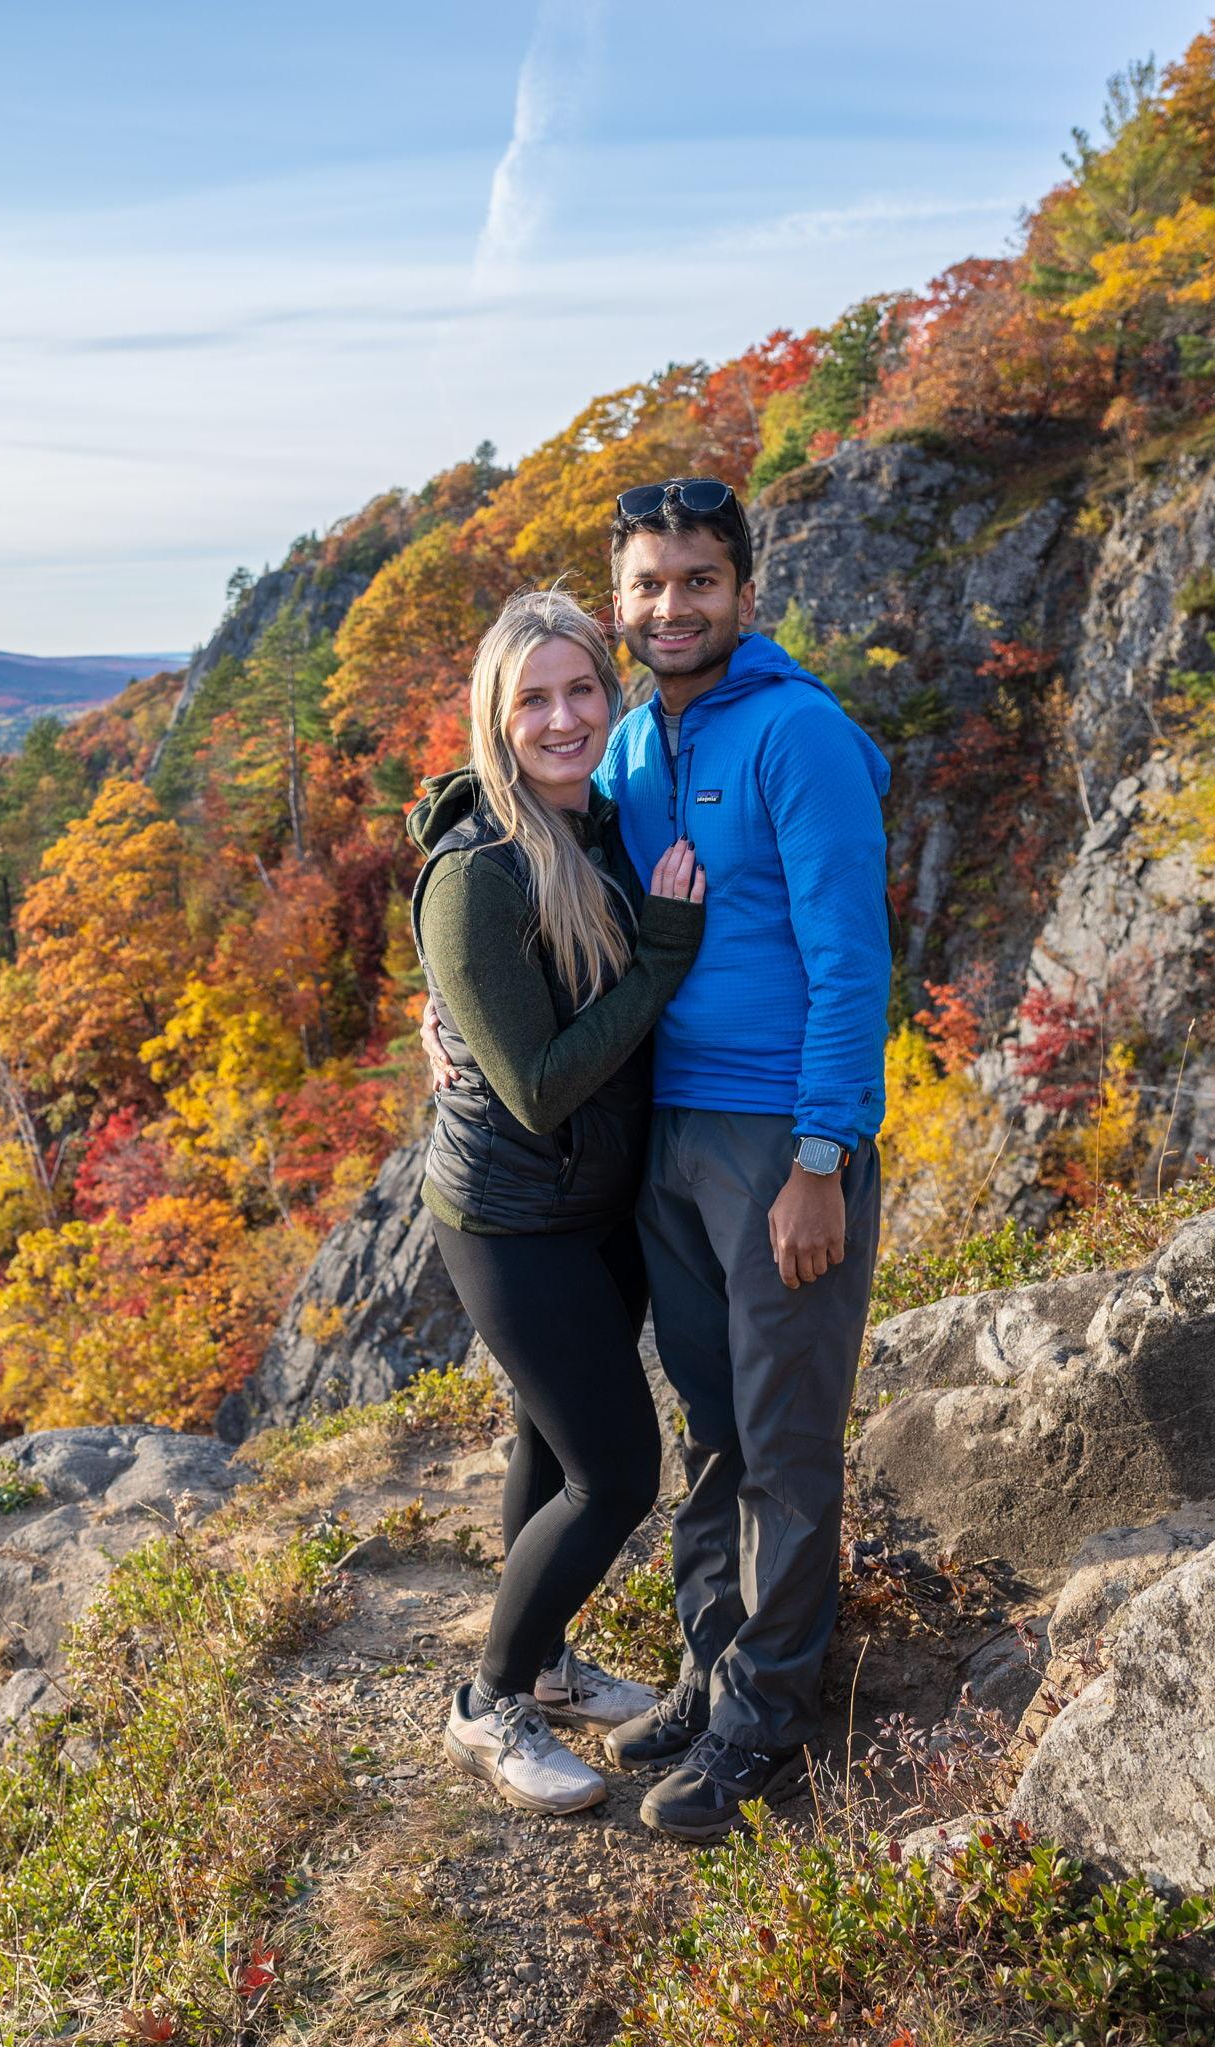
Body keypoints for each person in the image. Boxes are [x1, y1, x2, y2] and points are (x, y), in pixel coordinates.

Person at [424, 479, 892, 1840]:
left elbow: (851, 961)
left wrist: (821, 1154)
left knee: (783, 1438)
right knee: (710, 1428)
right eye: (648, 584)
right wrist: (440, 1004)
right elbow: (509, 886)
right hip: (662, 1139)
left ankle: (767, 1717)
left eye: (699, 580)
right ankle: (712, 1667)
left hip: (777, 1137)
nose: (672, 606)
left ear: (744, 590)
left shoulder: (799, 734)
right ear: (620, 602)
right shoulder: (628, 747)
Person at [410, 586, 707, 1816]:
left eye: (580, 687)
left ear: (609, 692)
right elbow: (534, 1087)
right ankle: (486, 1704)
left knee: (550, 1438)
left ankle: (539, 1665)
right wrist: (662, 951)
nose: (561, 716)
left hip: (599, 1201)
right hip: (510, 1213)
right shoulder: (477, 871)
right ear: (496, 715)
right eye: (532, 698)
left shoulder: (601, 822)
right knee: (617, 1471)